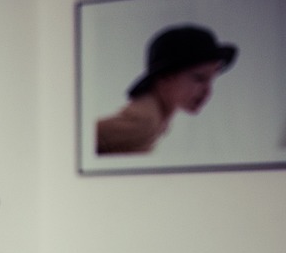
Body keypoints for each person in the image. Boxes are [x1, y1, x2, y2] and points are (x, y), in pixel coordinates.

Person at [96, 24, 237, 155]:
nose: (208, 91)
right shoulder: (145, 121)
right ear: (165, 77)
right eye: (199, 78)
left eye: (211, 80)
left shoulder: (158, 116)